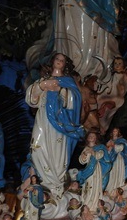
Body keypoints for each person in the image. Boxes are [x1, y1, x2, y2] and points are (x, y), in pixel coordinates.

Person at [22, 52, 85, 203]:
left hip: (60, 123)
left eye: (62, 60)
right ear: (52, 61)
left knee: (58, 152)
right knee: (37, 148)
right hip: (43, 120)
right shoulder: (43, 80)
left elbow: (75, 100)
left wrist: (60, 90)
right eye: (57, 58)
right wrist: (42, 86)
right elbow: (31, 99)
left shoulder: (68, 82)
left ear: (65, 65)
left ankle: (56, 184)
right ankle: (42, 182)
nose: (59, 61)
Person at [77, 130, 111, 212]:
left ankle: (94, 204)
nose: (91, 137)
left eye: (93, 136)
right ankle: (87, 203)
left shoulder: (100, 147)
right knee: (87, 186)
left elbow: (100, 155)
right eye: (89, 136)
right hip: (88, 169)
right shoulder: (86, 148)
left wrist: (93, 152)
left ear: (96, 139)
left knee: (95, 185)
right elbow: (81, 161)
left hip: (96, 169)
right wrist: (85, 155)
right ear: (87, 138)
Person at [105, 127, 127, 194]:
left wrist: (114, 145)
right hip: (111, 159)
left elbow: (121, 148)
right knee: (112, 173)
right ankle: (110, 188)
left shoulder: (122, 140)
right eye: (114, 131)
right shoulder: (109, 141)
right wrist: (108, 148)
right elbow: (107, 150)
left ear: (118, 132)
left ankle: (118, 186)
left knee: (118, 172)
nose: (115, 132)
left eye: (116, 131)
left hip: (118, 159)